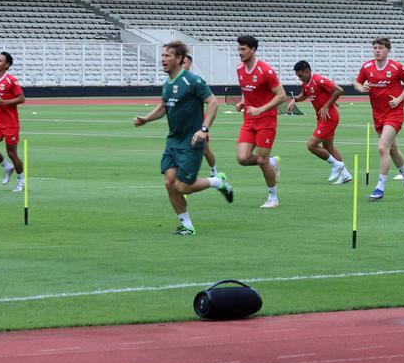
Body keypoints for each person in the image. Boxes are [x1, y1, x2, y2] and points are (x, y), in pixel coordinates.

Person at [132, 41, 233, 235]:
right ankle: (187, 225)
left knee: (183, 187)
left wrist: (203, 129)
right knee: (169, 183)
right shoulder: (167, 84)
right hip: (173, 142)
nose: (163, 59)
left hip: (191, 142)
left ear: (179, 59)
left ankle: (217, 181)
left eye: (167, 56)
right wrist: (146, 119)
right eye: (162, 55)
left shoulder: (192, 81)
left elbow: (213, 103)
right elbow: (164, 107)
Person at [356, 37, 404, 201]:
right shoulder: (367, 67)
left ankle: (380, 187)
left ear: (388, 50)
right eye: (375, 48)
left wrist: (399, 99)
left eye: (380, 48)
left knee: (383, 148)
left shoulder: (396, 67)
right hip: (378, 114)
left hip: (394, 113)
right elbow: (357, 82)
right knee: (392, 149)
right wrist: (362, 88)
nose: (377, 50)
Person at [235, 35, 285, 208]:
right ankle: (272, 162)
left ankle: (273, 198)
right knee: (242, 158)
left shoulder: (266, 71)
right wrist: (243, 102)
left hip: (266, 120)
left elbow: (282, 95)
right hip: (249, 120)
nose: (240, 52)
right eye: (239, 49)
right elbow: (246, 90)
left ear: (253, 50)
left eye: (243, 49)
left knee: (262, 160)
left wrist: (261, 109)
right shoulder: (240, 70)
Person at [287, 60, 352, 184]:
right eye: (297, 76)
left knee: (311, 145)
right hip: (321, 118)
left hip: (329, 117)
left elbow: (339, 90)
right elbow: (304, 95)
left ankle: (337, 165)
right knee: (328, 147)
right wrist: (294, 99)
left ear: (308, 71)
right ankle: (345, 175)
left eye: (300, 75)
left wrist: (327, 105)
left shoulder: (318, 80)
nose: (299, 78)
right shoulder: (305, 83)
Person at [0, 52, 26, 192]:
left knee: (12, 153)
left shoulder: (11, 80)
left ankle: (21, 181)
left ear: (7, 65)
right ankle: (7, 167)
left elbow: (21, 99)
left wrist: (4, 102)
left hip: (10, 123)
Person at [183, 55, 217, 178]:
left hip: (196, 121)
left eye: (184, 62)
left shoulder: (195, 81)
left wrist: (204, 126)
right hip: (182, 122)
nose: (182, 64)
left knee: (205, 150)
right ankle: (185, 177)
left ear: (189, 64)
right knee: (183, 149)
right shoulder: (175, 80)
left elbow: (211, 102)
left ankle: (214, 170)